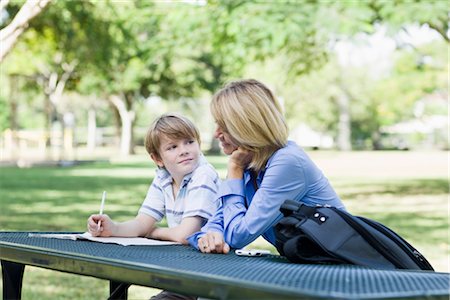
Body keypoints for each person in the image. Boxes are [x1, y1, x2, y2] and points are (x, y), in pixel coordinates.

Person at [187, 79, 346, 254]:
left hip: (347, 268)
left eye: (224, 126)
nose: (216, 133)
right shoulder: (251, 162)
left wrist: (234, 168)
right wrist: (209, 236)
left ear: (248, 126)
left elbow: (237, 236)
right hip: (313, 265)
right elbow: (215, 223)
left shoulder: (287, 162)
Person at [87, 113, 220, 245]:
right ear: (157, 159)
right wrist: (113, 228)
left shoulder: (203, 175)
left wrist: (154, 232)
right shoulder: (164, 177)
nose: (184, 150)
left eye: (190, 142)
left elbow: (186, 235)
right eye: (173, 147)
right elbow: (141, 223)